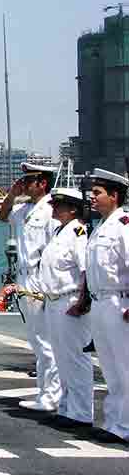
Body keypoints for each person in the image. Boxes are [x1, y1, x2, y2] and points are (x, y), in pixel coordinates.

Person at [0, 162, 61, 411]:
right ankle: (45, 391)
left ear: (42, 183)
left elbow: (53, 249)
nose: (24, 185)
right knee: (36, 339)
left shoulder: (50, 210)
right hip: (23, 277)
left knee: (45, 340)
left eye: (28, 181)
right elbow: (3, 216)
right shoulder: (25, 209)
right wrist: (12, 194)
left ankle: (51, 395)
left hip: (38, 276)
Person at [79, 168, 129, 443]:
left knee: (125, 368)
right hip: (100, 303)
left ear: (114, 195)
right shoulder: (101, 227)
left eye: (97, 193)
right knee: (110, 369)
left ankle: (125, 426)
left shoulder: (123, 225)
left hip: (118, 302)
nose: (92, 198)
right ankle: (115, 423)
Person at [37, 187, 92, 429]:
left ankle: (81, 413)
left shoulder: (77, 233)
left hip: (70, 302)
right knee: (62, 359)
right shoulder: (61, 231)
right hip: (54, 302)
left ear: (72, 209)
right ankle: (68, 407)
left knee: (76, 359)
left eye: (58, 205)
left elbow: (85, 270)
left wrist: (82, 301)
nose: (53, 208)